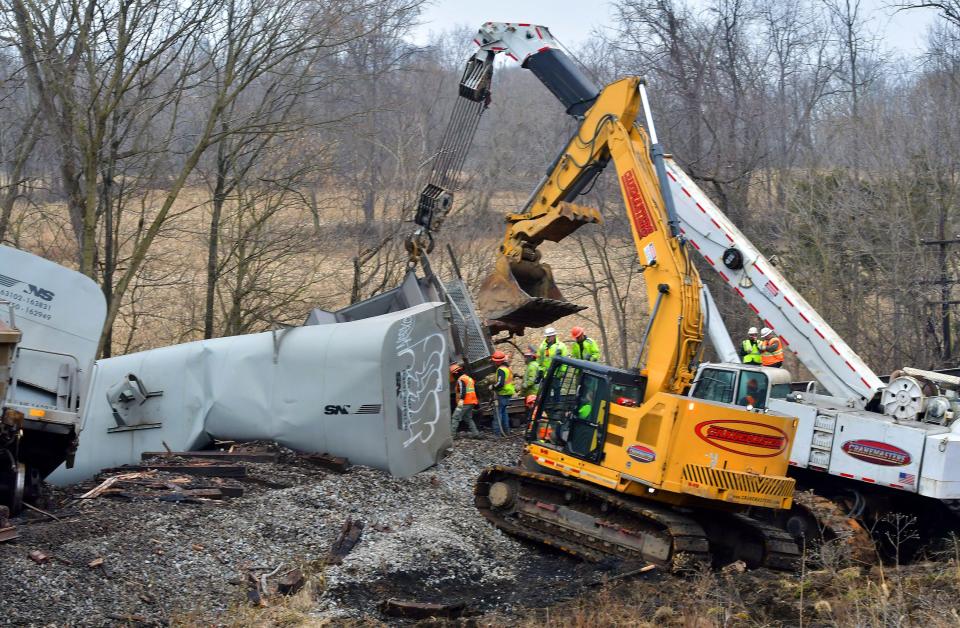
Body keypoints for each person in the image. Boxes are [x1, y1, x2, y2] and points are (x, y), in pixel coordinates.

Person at [449, 364, 479, 437]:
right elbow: (475, 389)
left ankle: (452, 435)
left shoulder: (461, 379)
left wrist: (461, 400)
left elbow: (463, 389)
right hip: (471, 402)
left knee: (455, 417)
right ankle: (476, 434)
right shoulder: (468, 378)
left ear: (455, 373)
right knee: (468, 418)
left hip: (464, 402)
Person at [491, 350, 514, 436]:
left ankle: (497, 434)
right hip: (508, 392)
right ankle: (506, 431)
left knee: (498, 413)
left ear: (497, 361)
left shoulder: (501, 370)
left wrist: (492, 387)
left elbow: (500, 383)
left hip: (503, 393)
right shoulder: (507, 368)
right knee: (504, 412)